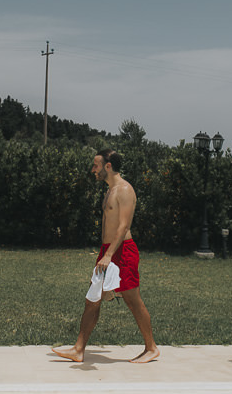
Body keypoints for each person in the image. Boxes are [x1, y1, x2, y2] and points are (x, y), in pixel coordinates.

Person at [53, 149, 160, 364]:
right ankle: (79, 349)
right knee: (92, 299)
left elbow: (124, 226)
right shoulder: (109, 190)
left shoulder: (125, 190)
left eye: (96, 165)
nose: (93, 169)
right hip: (108, 252)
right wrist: (106, 253)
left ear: (108, 166)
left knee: (132, 300)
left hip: (122, 252)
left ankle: (151, 348)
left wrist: (109, 254)